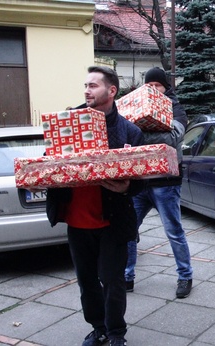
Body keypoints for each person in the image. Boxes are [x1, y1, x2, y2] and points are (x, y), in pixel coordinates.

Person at [46, 66, 145, 346]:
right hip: (77, 221)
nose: (87, 90)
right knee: (86, 282)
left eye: (93, 85)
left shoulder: (129, 132)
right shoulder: (67, 123)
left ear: (111, 91)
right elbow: (47, 162)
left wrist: (128, 186)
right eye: (85, 85)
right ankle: (98, 327)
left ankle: (116, 333)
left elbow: (142, 179)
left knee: (113, 283)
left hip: (112, 220)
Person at [125, 67, 193, 298]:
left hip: (167, 183)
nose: (153, 90)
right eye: (149, 86)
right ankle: (127, 276)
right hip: (139, 182)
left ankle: (185, 276)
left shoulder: (177, 110)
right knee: (128, 231)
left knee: (174, 232)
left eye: (158, 86)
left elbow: (173, 137)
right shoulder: (136, 108)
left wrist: (139, 131)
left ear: (166, 88)